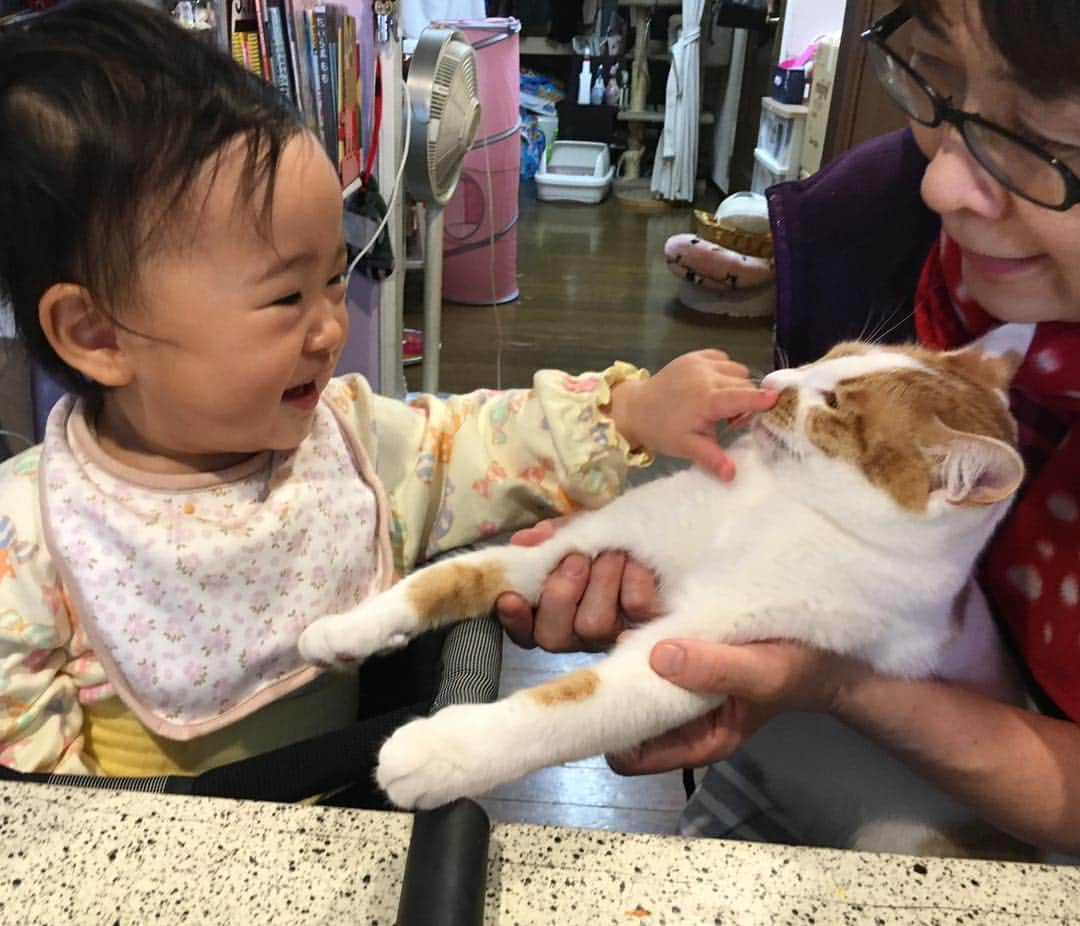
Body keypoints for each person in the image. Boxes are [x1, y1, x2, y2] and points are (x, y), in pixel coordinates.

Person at [0, 0, 779, 780]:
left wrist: (630, 411)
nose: (330, 330)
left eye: (334, 280)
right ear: (96, 336)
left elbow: (482, 440)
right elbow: (36, 796)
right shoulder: (29, 536)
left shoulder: (348, 444)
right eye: (284, 300)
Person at [498, 0, 1080, 858]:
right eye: (936, 79)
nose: (941, 183)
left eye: (1040, 142)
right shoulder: (878, 224)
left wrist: (831, 682)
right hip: (797, 750)